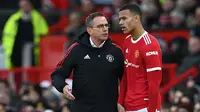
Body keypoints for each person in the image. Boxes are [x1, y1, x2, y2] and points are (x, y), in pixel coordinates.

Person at [51, 12, 124, 112]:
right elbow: (57, 74)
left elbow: (126, 81)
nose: (105, 29)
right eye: (100, 26)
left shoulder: (116, 51)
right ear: (89, 30)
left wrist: (121, 102)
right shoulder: (76, 49)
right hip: (81, 108)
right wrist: (63, 87)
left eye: (106, 25)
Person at [117, 4, 162, 112]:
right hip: (128, 105)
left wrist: (151, 110)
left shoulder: (150, 44)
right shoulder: (127, 41)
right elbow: (125, 77)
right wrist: (120, 102)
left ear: (136, 18)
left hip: (144, 107)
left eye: (124, 18)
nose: (120, 23)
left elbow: (154, 84)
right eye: (119, 19)